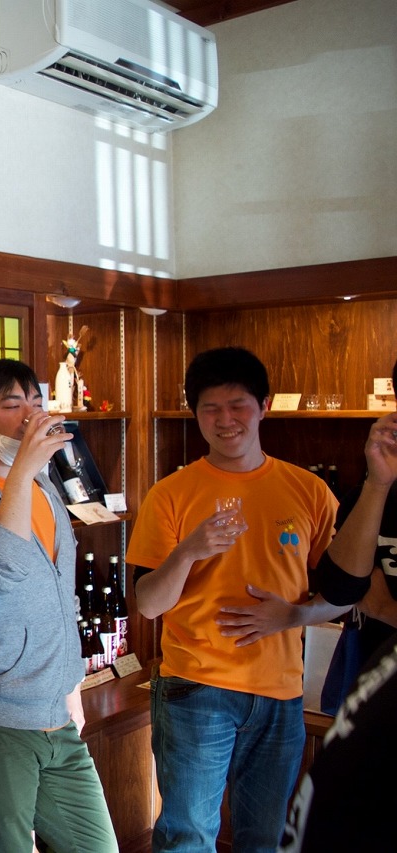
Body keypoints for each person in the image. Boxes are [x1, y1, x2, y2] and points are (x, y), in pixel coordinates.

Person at [126, 346, 348, 853]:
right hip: (194, 686)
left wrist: (293, 615)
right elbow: (148, 604)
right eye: (210, 409)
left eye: (237, 405)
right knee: (187, 838)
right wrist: (188, 551)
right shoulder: (170, 493)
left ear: (264, 406)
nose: (225, 420)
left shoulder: (309, 490)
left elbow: (348, 593)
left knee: (263, 839)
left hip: (281, 692)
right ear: (195, 414)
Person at [0, 359, 117, 852]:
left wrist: (70, 685)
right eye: (13, 405)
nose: (31, 416)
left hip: (54, 712)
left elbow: (59, 594)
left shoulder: (43, 488)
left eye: (36, 402)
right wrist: (25, 469)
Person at [278, 377, 397, 850]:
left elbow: (373, 598)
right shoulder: (375, 489)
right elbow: (343, 588)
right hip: (372, 682)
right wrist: (378, 482)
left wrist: (384, 604)